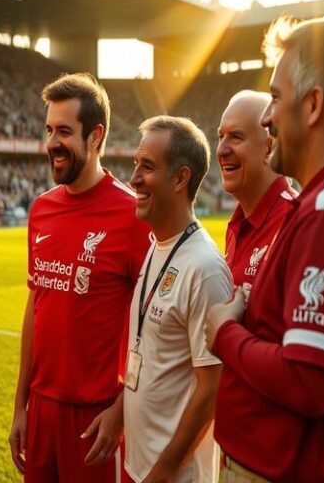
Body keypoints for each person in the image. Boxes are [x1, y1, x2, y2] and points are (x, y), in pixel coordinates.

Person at [207, 15, 324, 483]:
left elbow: (307, 383)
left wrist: (224, 332)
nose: (267, 117)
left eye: (275, 96)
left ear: (313, 106)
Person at [9, 72, 152, 482]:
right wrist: (22, 406)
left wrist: (122, 408)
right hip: (41, 410)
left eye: (65, 131)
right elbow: (36, 306)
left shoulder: (132, 215)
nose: (52, 142)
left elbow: (153, 326)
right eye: (49, 129)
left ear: (95, 136)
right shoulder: (41, 210)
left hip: (96, 418)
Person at [123, 116, 231, 483]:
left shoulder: (205, 268)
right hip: (141, 466)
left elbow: (211, 390)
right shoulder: (157, 245)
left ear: (181, 178)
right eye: (136, 164)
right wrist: (118, 410)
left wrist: (162, 474)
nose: (134, 177)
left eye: (147, 167)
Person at [216, 90, 296, 299]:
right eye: (220, 136)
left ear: (269, 148)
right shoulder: (236, 225)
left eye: (236, 137)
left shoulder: (296, 223)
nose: (221, 150)